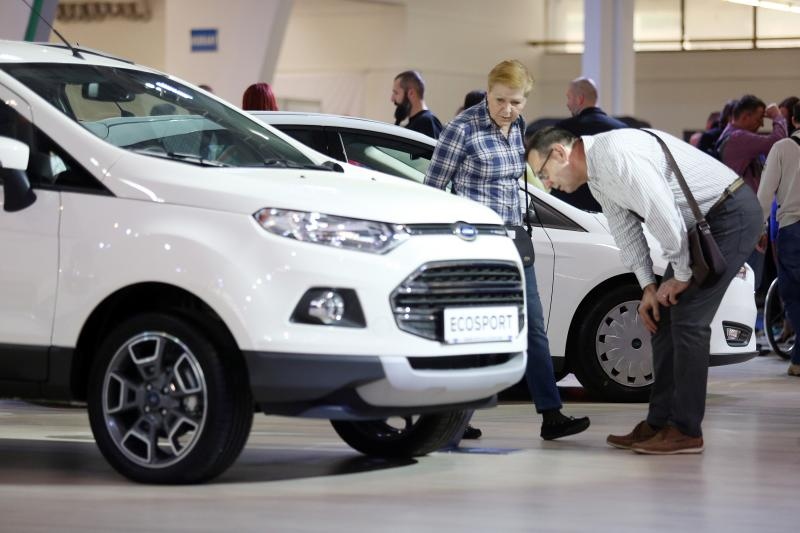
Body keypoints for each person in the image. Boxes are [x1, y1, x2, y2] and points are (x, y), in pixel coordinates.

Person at [526, 126, 762, 454]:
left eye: (542, 173)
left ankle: (685, 430)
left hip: (729, 215)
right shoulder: (598, 175)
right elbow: (626, 231)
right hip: (700, 225)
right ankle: (659, 422)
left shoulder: (615, 156)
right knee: (662, 315)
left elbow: (664, 215)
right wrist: (649, 288)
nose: (546, 184)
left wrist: (679, 276)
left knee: (689, 319)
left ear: (560, 154)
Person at [424, 60, 590, 443]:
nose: (507, 109)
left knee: (533, 329)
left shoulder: (517, 127)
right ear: (488, 91)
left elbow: (514, 183)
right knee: (471, 330)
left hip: (514, 239)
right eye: (500, 100)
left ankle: (552, 415)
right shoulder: (462, 129)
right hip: (476, 244)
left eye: (515, 102)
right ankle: (455, 420)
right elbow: (434, 188)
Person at [757, 101, 800, 375]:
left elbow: (765, 194)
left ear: (794, 120)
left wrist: (759, 228)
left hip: (793, 228)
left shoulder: (782, 148)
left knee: (793, 294)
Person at [550, 77, 628, 212]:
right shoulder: (623, 129)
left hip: (572, 210)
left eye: (569, 98)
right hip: (613, 208)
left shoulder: (564, 129)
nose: (567, 104)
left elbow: (555, 169)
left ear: (579, 99)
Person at [391, 70, 443, 139]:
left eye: (396, 93)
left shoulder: (426, 122)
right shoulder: (417, 123)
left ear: (411, 93)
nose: (392, 99)